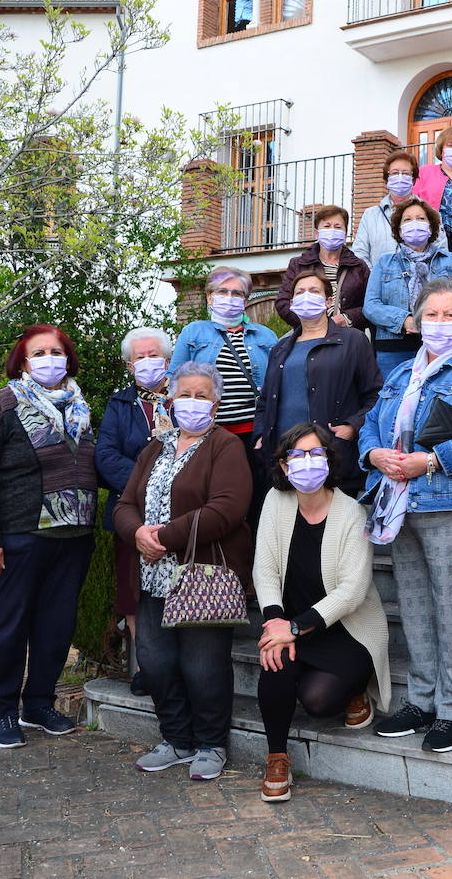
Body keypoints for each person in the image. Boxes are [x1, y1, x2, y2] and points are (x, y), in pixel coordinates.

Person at [360, 280, 452, 754]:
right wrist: (374, 454)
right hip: (400, 501)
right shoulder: (403, 371)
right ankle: (421, 699)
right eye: (431, 315)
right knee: (416, 605)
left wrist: (432, 460)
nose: (439, 324)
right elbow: (369, 425)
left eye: (450, 316)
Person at [114, 362, 253, 781]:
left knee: (203, 665)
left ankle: (212, 743)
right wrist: (138, 533)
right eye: (185, 395)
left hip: (200, 578)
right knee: (155, 663)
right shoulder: (154, 448)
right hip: (153, 578)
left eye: (202, 395)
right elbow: (124, 505)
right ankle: (176, 739)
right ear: (170, 401)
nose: (193, 403)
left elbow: (227, 508)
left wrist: (164, 537)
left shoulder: (225, 446)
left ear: (217, 403)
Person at [0, 325, 98, 749]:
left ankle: (38, 703)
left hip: (73, 534)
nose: (49, 358)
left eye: (56, 351)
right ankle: (1, 712)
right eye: (38, 352)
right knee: (6, 628)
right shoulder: (3, 404)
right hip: (19, 534)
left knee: (55, 628)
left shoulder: (80, 405)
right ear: (22, 361)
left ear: (68, 357)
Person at [253, 423, 392, 802]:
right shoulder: (274, 502)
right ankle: (277, 756)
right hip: (292, 622)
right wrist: (275, 622)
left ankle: (354, 690)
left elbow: (352, 592)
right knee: (275, 658)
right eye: (296, 455)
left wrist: (294, 627)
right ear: (283, 465)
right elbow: (264, 568)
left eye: (315, 454)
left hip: (347, 629)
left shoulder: (351, 512)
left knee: (318, 702)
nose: (306, 462)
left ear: (329, 462)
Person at [95, 326, 175, 696]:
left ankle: (179, 661)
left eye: (153, 355)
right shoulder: (119, 404)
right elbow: (106, 455)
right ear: (129, 364)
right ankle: (144, 664)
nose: (147, 362)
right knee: (133, 589)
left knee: (178, 584)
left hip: (182, 511)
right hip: (132, 513)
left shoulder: (186, 396)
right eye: (139, 357)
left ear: (168, 358)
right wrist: (149, 481)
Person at [171, 267, 279, 527]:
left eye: (237, 293)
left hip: (252, 436)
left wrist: (267, 430)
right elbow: (174, 378)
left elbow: (277, 386)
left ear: (245, 300)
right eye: (223, 291)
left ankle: (250, 562)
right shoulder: (194, 332)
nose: (229, 298)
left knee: (255, 504)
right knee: (211, 501)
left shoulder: (265, 336)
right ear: (210, 297)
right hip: (210, 435)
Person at [255, 272, 382, 495]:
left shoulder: (353, 341)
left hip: (332, 454)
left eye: (314, 291)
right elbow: (265, 400)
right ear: (292, 303)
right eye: (300, 292)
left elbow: (375, 394)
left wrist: (354, 426)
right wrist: (260, 435)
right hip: (287, 457)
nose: (307, 296)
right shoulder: (280, 349)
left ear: (328, 301)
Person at [363, 196, 452, 378]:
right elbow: (370, 306)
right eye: (407, 220)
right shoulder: (384, 263)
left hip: (442, 344)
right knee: (396, 402)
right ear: (399, 230)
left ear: (431, 227)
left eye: (421, 219)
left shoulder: (450, 261)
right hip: (394, 349)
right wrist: (404, 320)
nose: (414, 223)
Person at [276, 205, 370, 329]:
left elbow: (371, 305)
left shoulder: (359, 267)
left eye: (338, 227)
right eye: (327, 226)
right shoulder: (298, 264)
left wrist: (348, 317)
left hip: (348, 337)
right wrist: (311, 324)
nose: (332, 230)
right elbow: (283, 303)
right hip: (309, 337)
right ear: (316, 233)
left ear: (345, 234)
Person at [352, 150, 449, 265]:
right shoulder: (370, 216)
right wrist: (376, 277)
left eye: (406, 173)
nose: (400, 177)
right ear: (387, 180)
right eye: (394, 173)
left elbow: (441, 253)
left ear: (413, 180)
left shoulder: (430, 213)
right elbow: (359, 254)